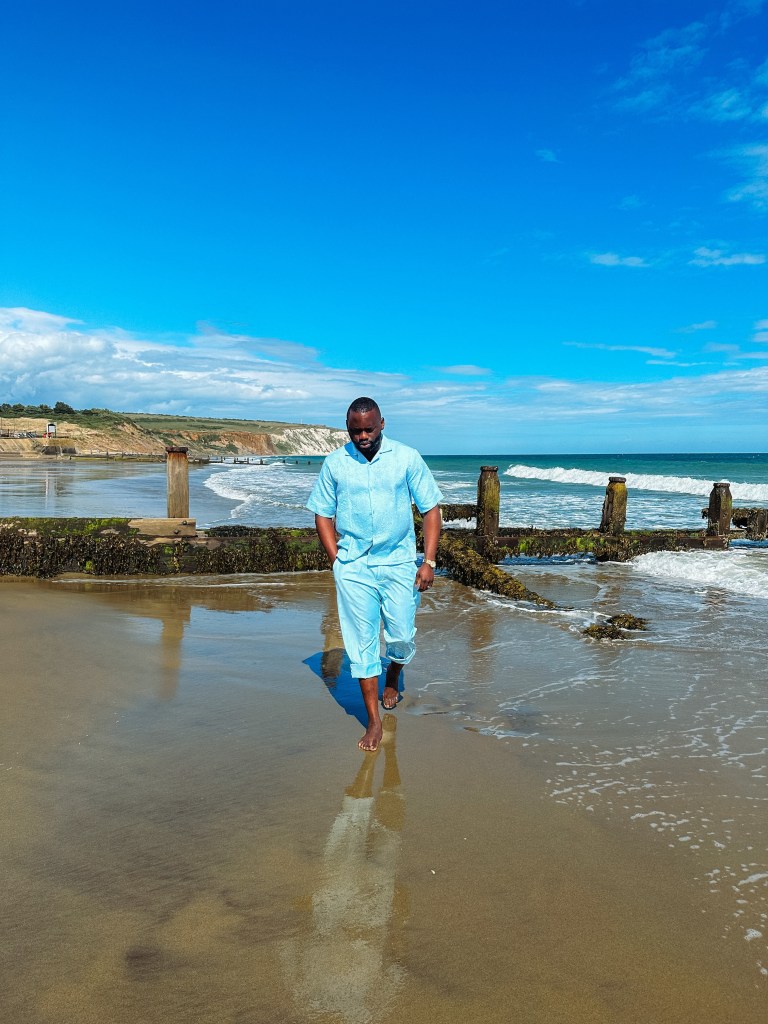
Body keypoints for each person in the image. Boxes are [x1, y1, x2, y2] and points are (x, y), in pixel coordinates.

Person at [307, 397, 443, 752]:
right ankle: (373, 720)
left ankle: (394, 672)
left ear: (382, 423)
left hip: (398, 563)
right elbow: (322, 514)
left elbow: (430, 509)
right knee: (361, 642)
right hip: (354, 567)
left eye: (369, 429)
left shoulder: (406, 458)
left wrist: (428, 561)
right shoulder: (335, 463)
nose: (363, 436)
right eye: (356, 431)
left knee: (402, 636)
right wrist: (337, 560)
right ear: (347, 428)